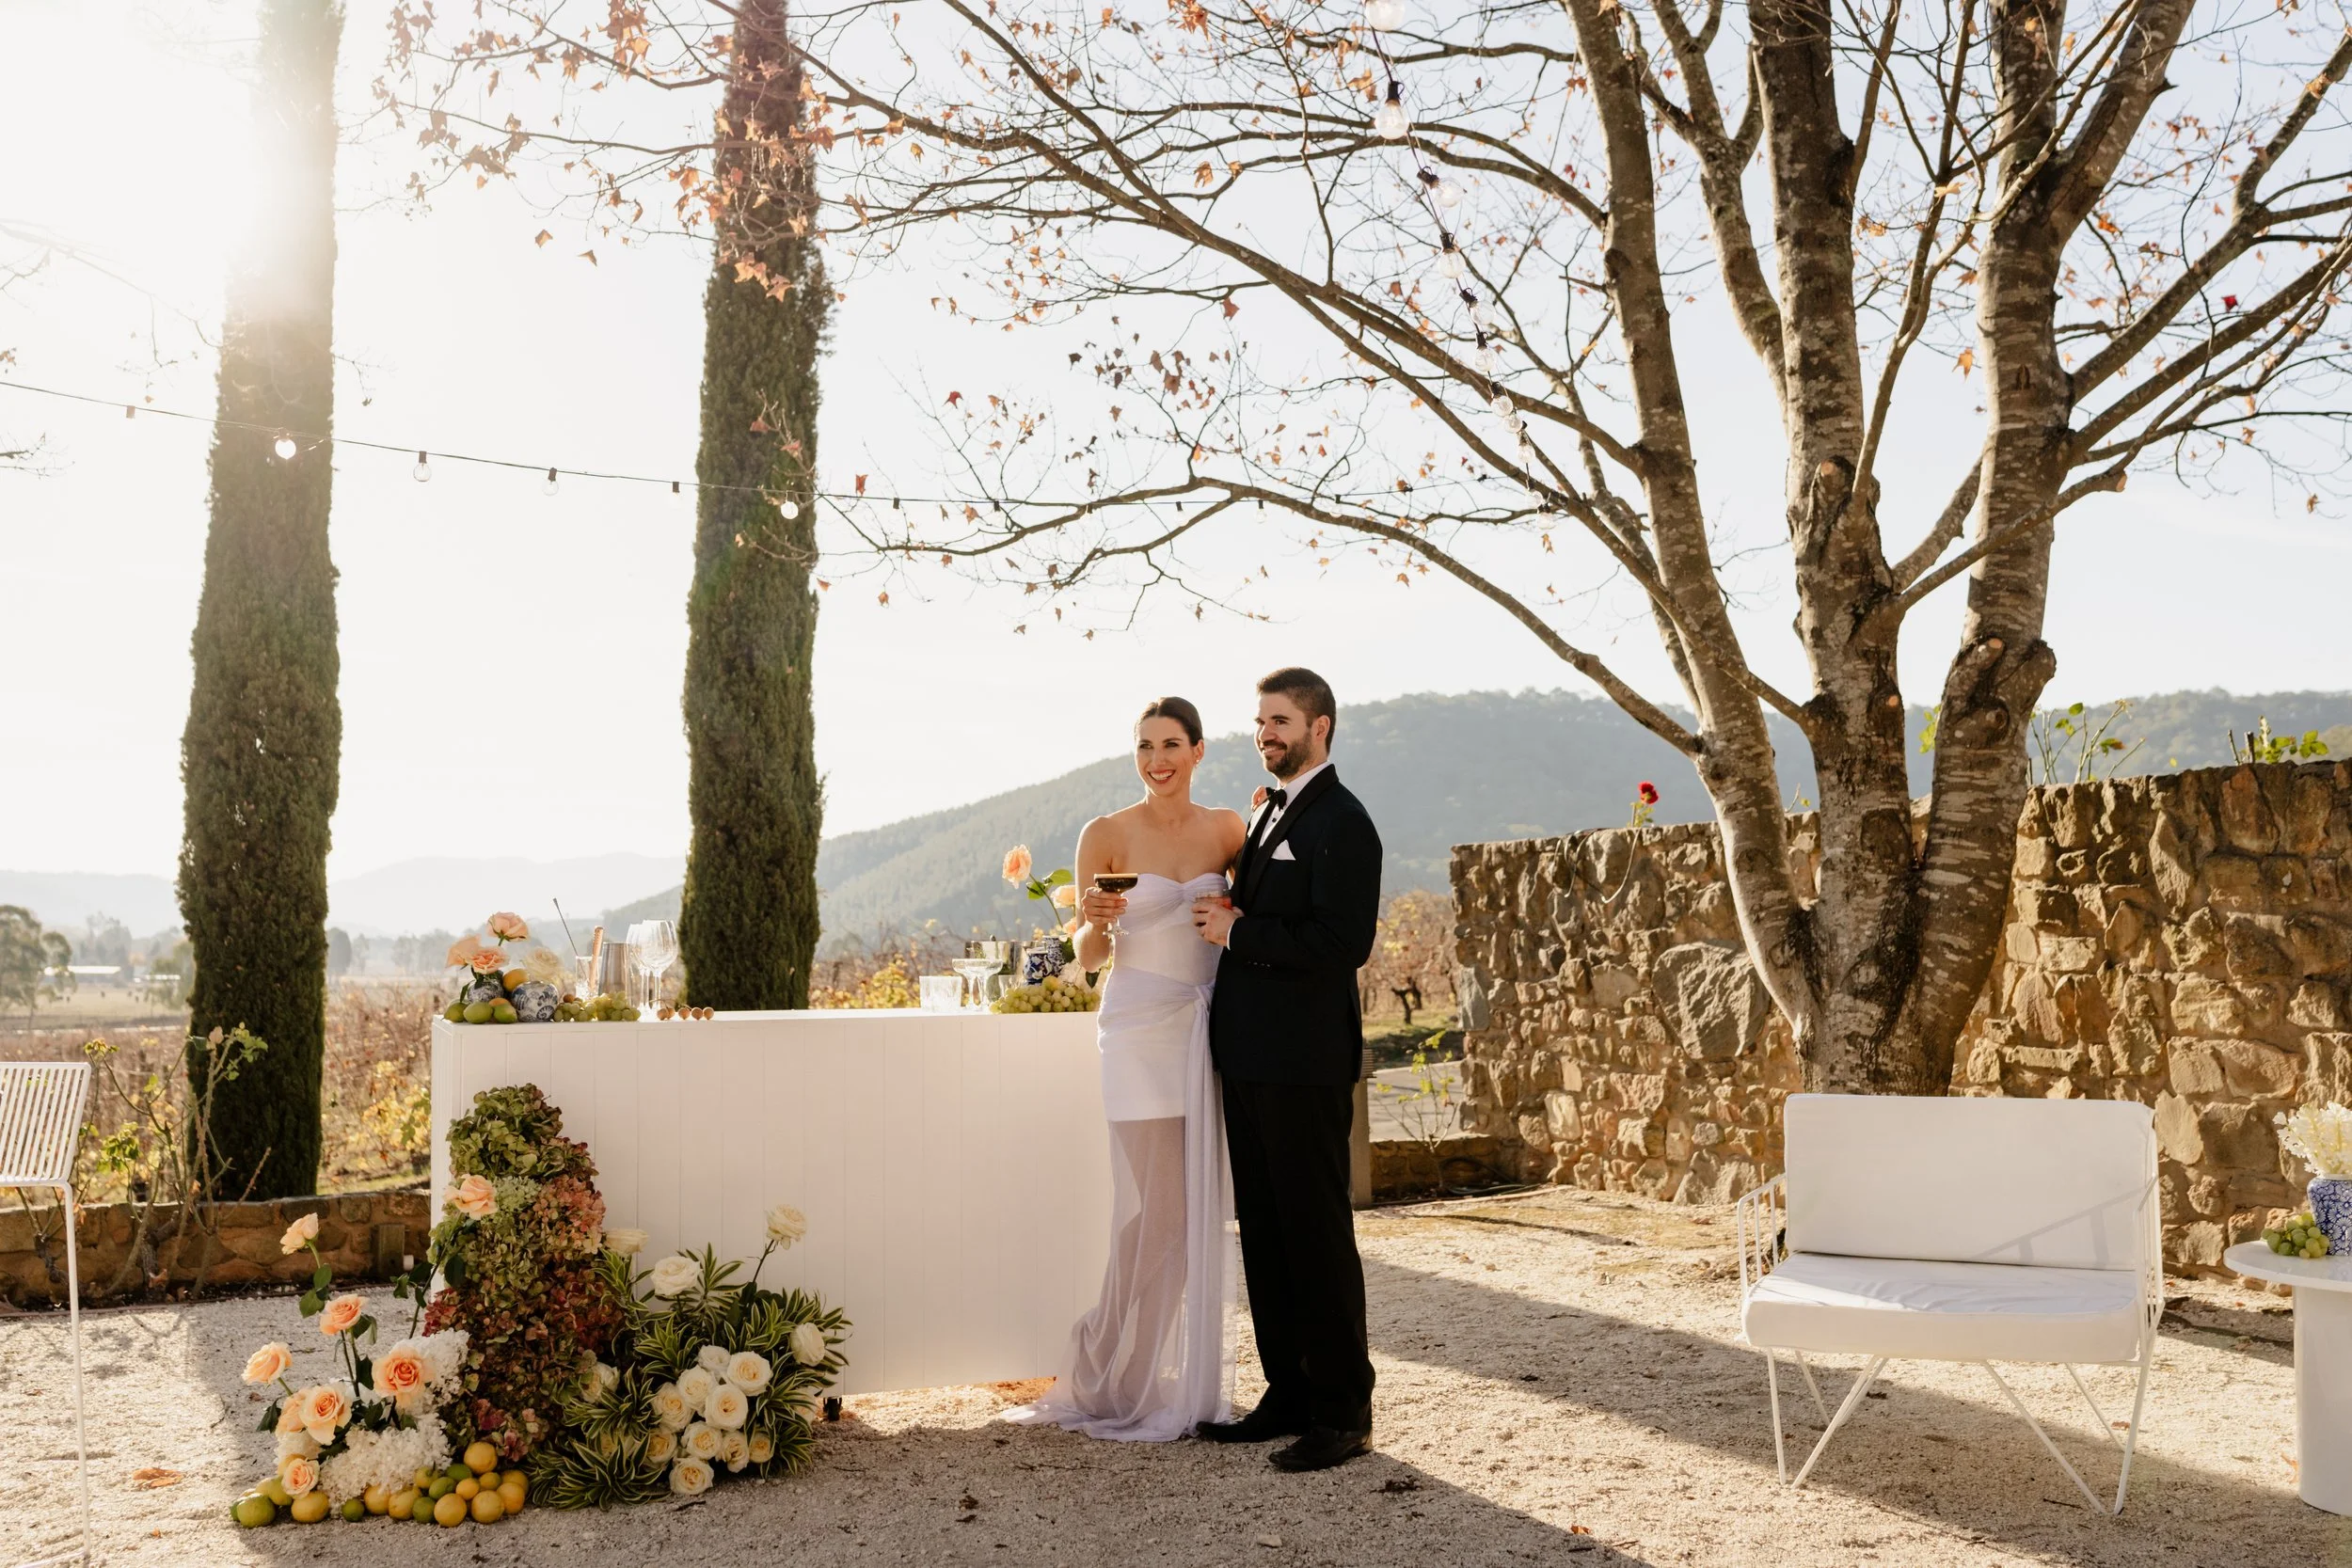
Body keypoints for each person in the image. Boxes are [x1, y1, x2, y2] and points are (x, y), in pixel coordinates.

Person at [1002, 696, 1249, 1440]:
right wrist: (1096, 927)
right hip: (1137, 1028)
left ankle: (1137, 1363)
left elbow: (1249, 915)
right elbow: (1085, 957)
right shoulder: (1105, 833)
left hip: (1207, 1027)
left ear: (1199, 750)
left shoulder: (1228, 828)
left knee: (1196, 1208)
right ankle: (1107, 1356)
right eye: (1144, 746)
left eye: (1171, 744)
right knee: (1161, 1207)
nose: (1156, 759)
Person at [1190, 667, 1382, 1472]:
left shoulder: (1345, 821)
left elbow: (1344, 947)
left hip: (1304, 1062)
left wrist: (1237, 933)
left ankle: (1344, 1410)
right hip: (1248, 1057)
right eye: (1261, 721)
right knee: (1265, 1232)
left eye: (1280, 721)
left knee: (1316, 1231)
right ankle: (1288, 1390)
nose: (1266, 733)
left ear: (1320, 726)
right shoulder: (1270, 809)